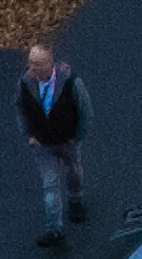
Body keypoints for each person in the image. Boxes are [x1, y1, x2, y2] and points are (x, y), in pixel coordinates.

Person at [12, 43, 93, 245]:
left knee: (74, 172)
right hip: (43, 143)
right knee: (49, 185)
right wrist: (28, 133)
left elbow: (85, 110)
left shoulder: (70, 81)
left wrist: (78, 135)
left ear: (50, 62)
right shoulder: (25, 83)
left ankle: (76, 200)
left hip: (68, 140)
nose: (34, 69)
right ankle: (54, 228)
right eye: (31, 64)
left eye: (39, 64)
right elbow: (20, 108)